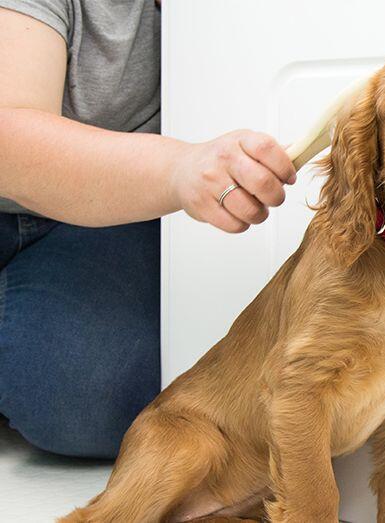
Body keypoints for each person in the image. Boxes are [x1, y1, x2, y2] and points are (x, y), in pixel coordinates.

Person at [0, 0, 296, 458]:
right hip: (48, 180)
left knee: (93, 394)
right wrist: (182, 169)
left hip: (110, 206)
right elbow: (9, 143)